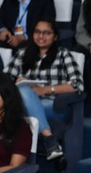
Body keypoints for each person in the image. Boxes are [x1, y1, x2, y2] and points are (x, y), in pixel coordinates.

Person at [6, 20, 85, 162]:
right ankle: (49, 139)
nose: (41, 36)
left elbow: (77, 85)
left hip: (53, 106)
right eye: (37, 32)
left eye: (47, 33)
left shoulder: (63, 54)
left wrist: (44, 90)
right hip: (23, 104)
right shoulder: (22, 53)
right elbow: (3, 80)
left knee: (21, 99)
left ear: (55, 37)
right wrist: (16, 81)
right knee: (23, 89)